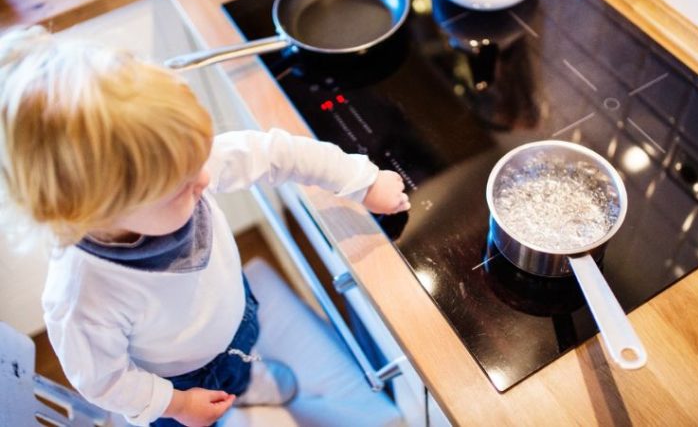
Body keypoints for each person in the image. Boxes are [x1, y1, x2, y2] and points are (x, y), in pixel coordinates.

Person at [0, 26, 410, 426]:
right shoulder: (82, 294)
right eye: (181, 188)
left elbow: (275, 152)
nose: (205, 179)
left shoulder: (176, 166)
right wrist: (176, 405)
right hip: (175, 383)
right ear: (93, 211)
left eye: (199, 160)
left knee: (240, 363)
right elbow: (104, 380)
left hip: (233, 316)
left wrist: (361, 181)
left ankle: (245, 383)